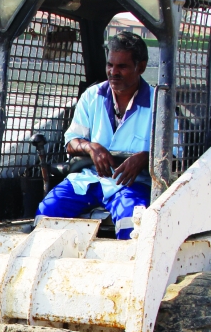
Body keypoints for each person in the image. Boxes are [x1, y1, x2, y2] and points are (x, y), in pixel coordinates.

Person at [36, 31, 155, 239]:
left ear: (141, 67)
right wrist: (91, 148)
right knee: (47, 211)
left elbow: (175, 156)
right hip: (88, 180)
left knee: (133, 225)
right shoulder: (92, 96)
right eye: (110, 65)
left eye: (122, 67)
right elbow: (71, 141)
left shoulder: (158, 103)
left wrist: (145, 158)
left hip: (131, 185)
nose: (113, 72)